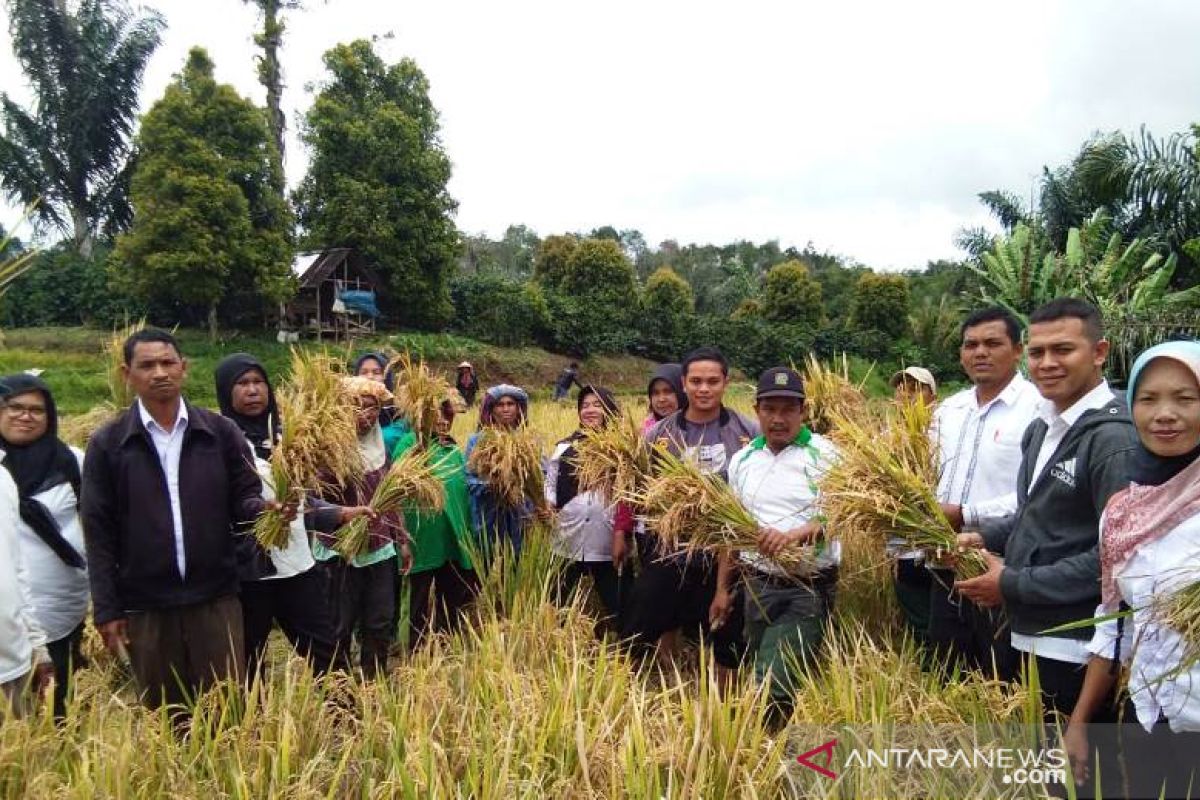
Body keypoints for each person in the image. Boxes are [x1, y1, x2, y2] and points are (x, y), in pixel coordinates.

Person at [954, 299, 1139, 722]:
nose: (1046, 363)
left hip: (1077, 646)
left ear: (1099, 352)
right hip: (1027, 632)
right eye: (1037, 352)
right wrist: (984, 537)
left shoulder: (1113, 440)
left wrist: (1012, 583)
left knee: (1070, 775)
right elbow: (1031, 515)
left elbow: (1117, 558)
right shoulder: (1041, 428)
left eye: (1063, 350)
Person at [81, 329, 275, 710]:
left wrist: (267, 511)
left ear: (183, 368)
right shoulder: (108, 445)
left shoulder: (219, 433)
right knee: (166, 714)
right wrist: (107, 608)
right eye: (147, 365)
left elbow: (244, 500)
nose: (159, 373)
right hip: (146, 605)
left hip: (216, 598)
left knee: (226, 711)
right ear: (127, 374)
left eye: (168, 363)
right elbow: (98, 531)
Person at [1063, 341, 1200, 797]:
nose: (1165, 414)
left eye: (1186, 398)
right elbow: (1117, 622)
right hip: (1147, 717)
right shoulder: (1124, 512)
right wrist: (1080, 722)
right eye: (1148, 399)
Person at [213, 354, 368, 677]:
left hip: (298, 565)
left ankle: (346, 720)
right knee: (247, 660)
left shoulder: (289, 437)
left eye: (259, 382)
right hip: (249, 574)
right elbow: (218, 503)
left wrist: (338, 512)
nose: (253, 390)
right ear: (225, 391)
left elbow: (301, 500)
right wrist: (261, 512)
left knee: (327, 653)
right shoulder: (217, 443)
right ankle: (250, 725)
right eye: (242, 384)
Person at [622, 346, 758, 675]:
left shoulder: (747, 432)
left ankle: (725, 702)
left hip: (727, 554)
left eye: (712, 381)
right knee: (642, 621)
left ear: (726, 382)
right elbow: (642, 490)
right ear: (684, 383)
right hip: (672, 550)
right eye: (696, 381)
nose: (704, 389)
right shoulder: (659, 434)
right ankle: (651, 685)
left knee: (726, 633)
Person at [924, 308, 1041, 677]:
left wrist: (964, 513)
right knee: (945, 672)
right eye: (971, 344)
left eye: (993, 343)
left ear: (1018, 350)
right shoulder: (948, 410)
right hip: (945, 561)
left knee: (999, 675)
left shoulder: (1038, 409)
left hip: (1001, 566)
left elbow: (1035, 496)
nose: (980, 353)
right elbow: (926, 476)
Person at [718, 366, 840, 717]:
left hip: (807, 587)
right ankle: (769, 749)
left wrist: (795, 536)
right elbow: (731, 530)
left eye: (788, 409)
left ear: (803, 411)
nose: (778, 418)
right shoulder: (743, 460)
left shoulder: (826, 455)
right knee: (762, 664)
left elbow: (843, 516)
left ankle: (762, 752)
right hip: (757, 585)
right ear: (756, 410)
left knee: (772, 683)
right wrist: (722, 590)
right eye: (770, 409)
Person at [310, 376, 412, 679]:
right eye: (356, 407)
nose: (364, 415)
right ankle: (338, 687)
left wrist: (402, 539)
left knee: (379, 621)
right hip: (338, 550)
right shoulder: (324, 450)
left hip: (379, 548)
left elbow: (391, 498)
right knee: (339, 623)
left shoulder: (381, 448)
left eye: (371, 408)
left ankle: (375, 680)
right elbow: (310, 500)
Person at [0, 374, 88, 720]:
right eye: (15, 407)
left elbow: (96, 523)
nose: (26, 416)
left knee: (54, 708)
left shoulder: (72, 462)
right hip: (7, 618)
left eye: (37, 409)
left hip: (61, 609)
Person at [392, 398, 479, 648]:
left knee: (451, 596)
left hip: (452, 538)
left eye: (448, 415)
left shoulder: (451, 449)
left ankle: (446, 643)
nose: (442, 420)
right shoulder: (410, 444)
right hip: (422, 539)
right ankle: (415, 650)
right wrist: (403, 538)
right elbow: (396, 490)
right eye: (437, 414)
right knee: (417, 598)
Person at [546, 385, 632, 632]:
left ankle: (628, 644)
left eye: (597, 404)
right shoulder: (565, 446)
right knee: (558, 596)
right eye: (585, 406)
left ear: (609, 409)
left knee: (618, 599)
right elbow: (551, 482)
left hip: (606, 537)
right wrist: (550, 506)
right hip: (568, 535)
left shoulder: (622, 448)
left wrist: (621, 534)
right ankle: (555, 637)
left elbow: (629, 493)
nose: (590, 410)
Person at [887, 366, 939, 649]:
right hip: (903, 545)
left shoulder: (944, 434)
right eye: (901, 388)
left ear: (933, 396)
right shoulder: (886, 440)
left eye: (916, 388)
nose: (906, 395)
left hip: (944, 545)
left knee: (947, 619)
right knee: (918, 621)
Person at [0, 449, 53, 716]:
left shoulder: (2, 479)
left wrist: (38, 648)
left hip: (13, 664)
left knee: (25, 755)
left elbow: (16, 569)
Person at [464, 384, 536, 559]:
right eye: (499, 404)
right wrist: (495, 485)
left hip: (522, 517)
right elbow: (469, 480)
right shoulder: (478, 442)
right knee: (491, 564)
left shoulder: (528, 441)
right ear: (491, 409)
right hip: (489, 517)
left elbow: (541, 475)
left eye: (510, 404)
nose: (505, 409)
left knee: (520, 565)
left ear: (519, 408)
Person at [353, 351, 410, 453]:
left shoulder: (398, 410)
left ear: (386, 378)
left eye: (376, 372)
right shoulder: (345, 408)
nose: (370, 377)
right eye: (364, 372)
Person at [643, 363, 686, 434]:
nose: (661, 399)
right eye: (655, 393)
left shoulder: (699, 428)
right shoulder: (648, 429)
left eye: (668, 391)